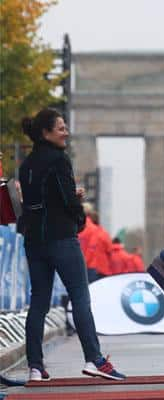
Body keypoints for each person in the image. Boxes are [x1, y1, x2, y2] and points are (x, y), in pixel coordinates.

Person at [17, 108, 126, 381]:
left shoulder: (26, 164)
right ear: (46, 133)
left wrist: (67, 197)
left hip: (35, 241)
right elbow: (67, 201)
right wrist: (78, 215)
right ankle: (95, 359)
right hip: (61, 238)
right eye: (61, 128)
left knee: (38, 302)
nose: (66, 132)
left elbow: (36, 200)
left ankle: (35, 367)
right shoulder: (59, 160)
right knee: (80, 297)